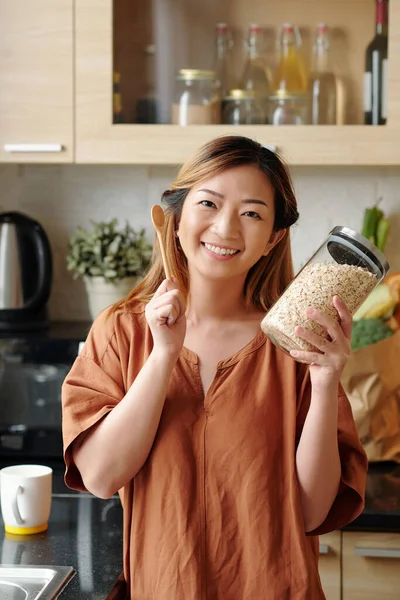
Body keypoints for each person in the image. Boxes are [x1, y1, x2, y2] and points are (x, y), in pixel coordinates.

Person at [62, 135, 368, 599]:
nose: (226, 228)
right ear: (178, 216)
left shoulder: (300, 346)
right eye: (209, 203)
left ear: (273, 239)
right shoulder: (122, 331)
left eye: (251, 213)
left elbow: (309, 513)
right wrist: (163, 356)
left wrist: (325, 384)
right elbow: (102, 476)